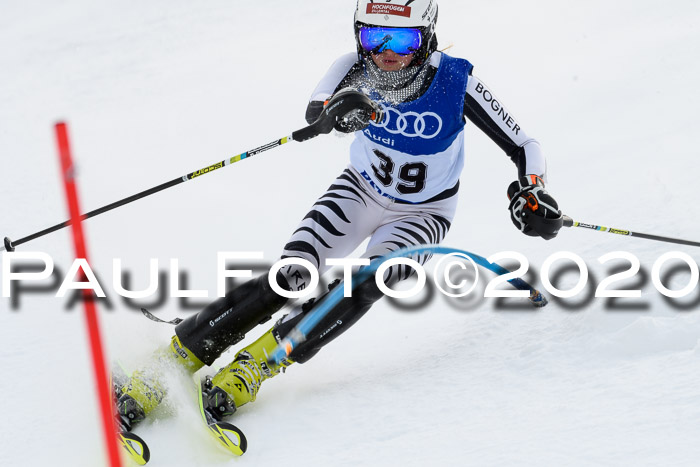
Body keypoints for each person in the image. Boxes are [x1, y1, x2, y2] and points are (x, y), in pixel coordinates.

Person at [116, 0, 563, 430]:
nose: (386, 53)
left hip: (423, 213)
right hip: (359, 191)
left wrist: (532, 191)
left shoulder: (454, 80)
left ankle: (255, 367)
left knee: (369, 280)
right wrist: (339, 111)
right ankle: (173, 361)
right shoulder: (351, 67)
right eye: (374, 37)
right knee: (291, 275)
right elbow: (317, 113)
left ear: (428, 37)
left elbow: (524, 145)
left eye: (403, 40)